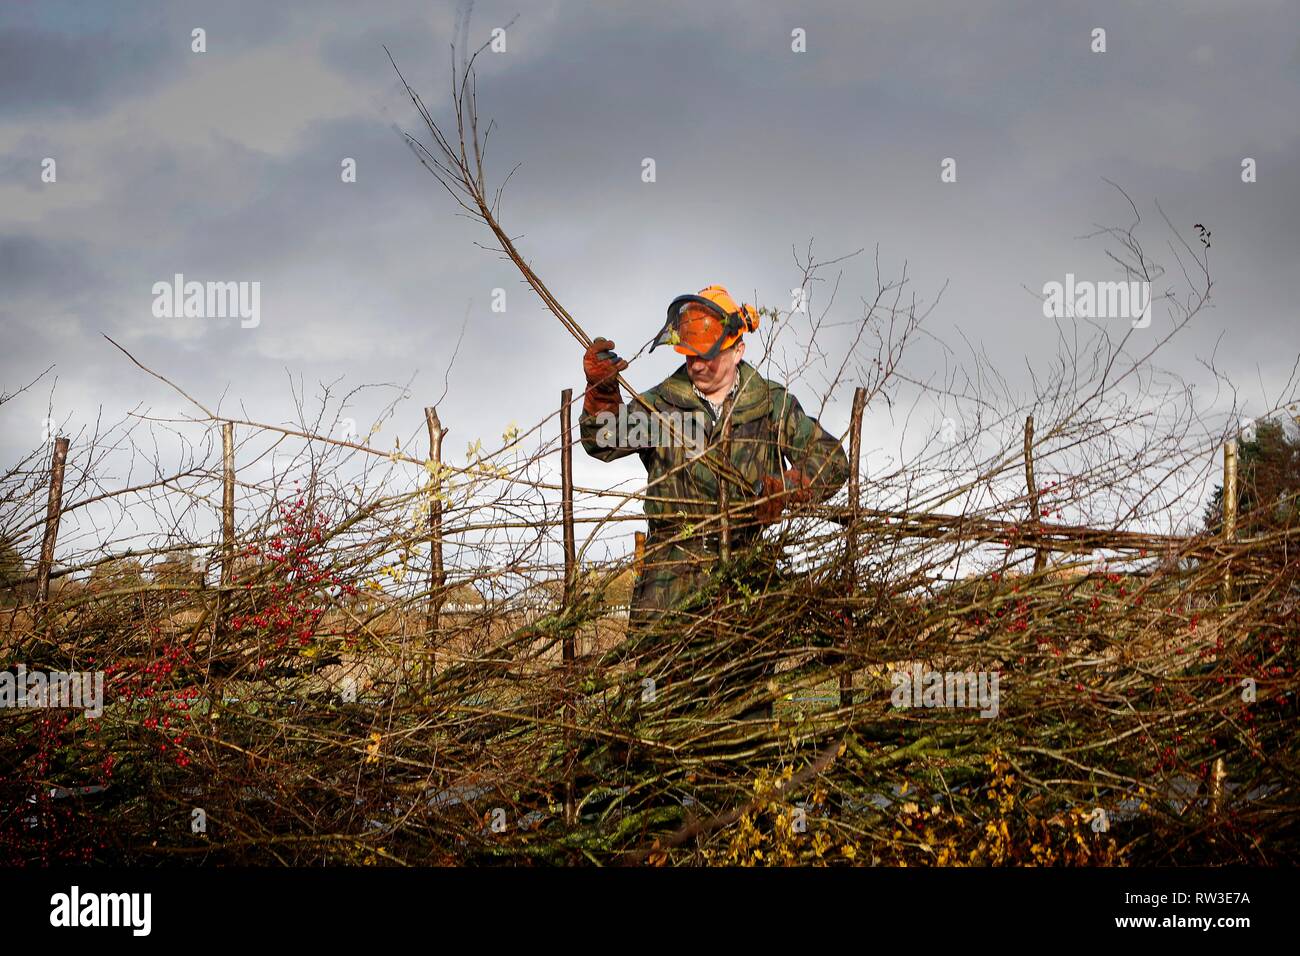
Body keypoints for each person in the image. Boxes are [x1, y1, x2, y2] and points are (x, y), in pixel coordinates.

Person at [579, 284, 851, 634]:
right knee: (662, 687)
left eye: (708, 355)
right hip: (666, 589)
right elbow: (602, 441)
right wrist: (602, 392)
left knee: (744, 686)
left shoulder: (770, 406)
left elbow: (831, 459)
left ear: (738, 350)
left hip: (745, 584)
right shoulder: (661, 405)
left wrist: (785, 489)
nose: (697, 363)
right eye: (690, 354)